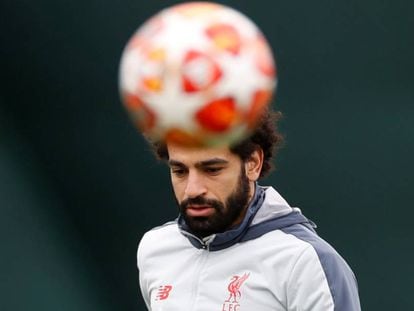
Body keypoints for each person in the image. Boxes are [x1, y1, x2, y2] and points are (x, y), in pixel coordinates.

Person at [137, 109, 361, 311]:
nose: (192, 190)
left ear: (253, 163)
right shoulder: (155, 249)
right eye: (179, 171)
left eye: (212, 169)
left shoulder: (305, 261)